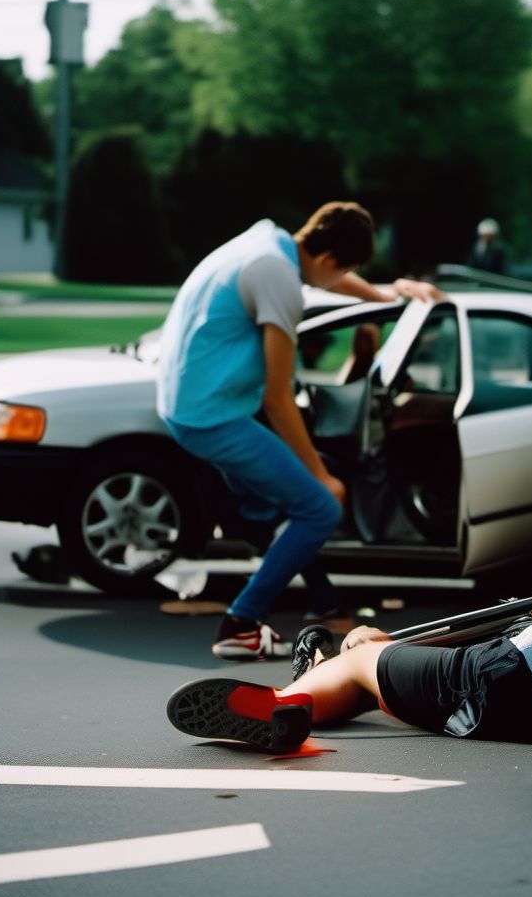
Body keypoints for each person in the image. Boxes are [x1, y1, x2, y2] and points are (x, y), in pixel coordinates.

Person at [156, 201, 441, 661]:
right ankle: (241, 624)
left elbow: (326, 274)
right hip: (213, 417)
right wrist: (321, 478)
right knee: (319, 508)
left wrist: (387, 297)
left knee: (275, 506)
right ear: (330, 259)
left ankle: (324, 600)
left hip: (187, 403)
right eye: (344, 269)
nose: (342, 278)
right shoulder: (280, 281)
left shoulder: (270, 242)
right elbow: (277, 397)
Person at [166, 599, 532, 752]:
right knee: (380, 674)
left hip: (516, 669)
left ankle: (288, 695)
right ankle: (323, 683)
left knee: (361, 655)